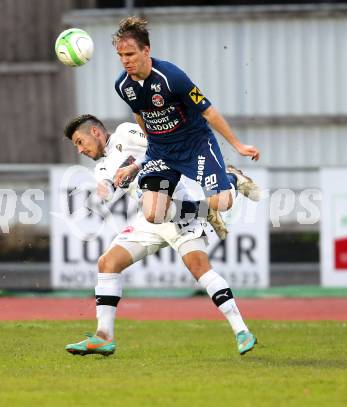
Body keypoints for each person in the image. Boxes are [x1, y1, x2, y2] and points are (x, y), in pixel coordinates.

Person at [62, 114, 257, 356]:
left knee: (200, 269)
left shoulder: (125, 132)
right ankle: (103, 336)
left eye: (80, 142)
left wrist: (135, 166)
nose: (80, 150)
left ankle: (242, 331)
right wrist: (102, 190)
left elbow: (159, 145)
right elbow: (109, 190)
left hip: (174, 205)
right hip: (149, 218)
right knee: (107, 263)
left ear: (95, 132)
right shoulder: (101, 167)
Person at [112, 16, 261, 228]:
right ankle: (203, 213)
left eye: (130, 54)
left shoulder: (172, 77)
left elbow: (208, 112)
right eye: (120, 55)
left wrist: (238, 145)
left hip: (194, 146)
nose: (125, 60)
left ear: (146, 51)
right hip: (162, 153)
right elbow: (140, 114)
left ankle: (233, 179)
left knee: (221, 202)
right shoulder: (122, 85)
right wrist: (150, 150)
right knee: (154, 213)